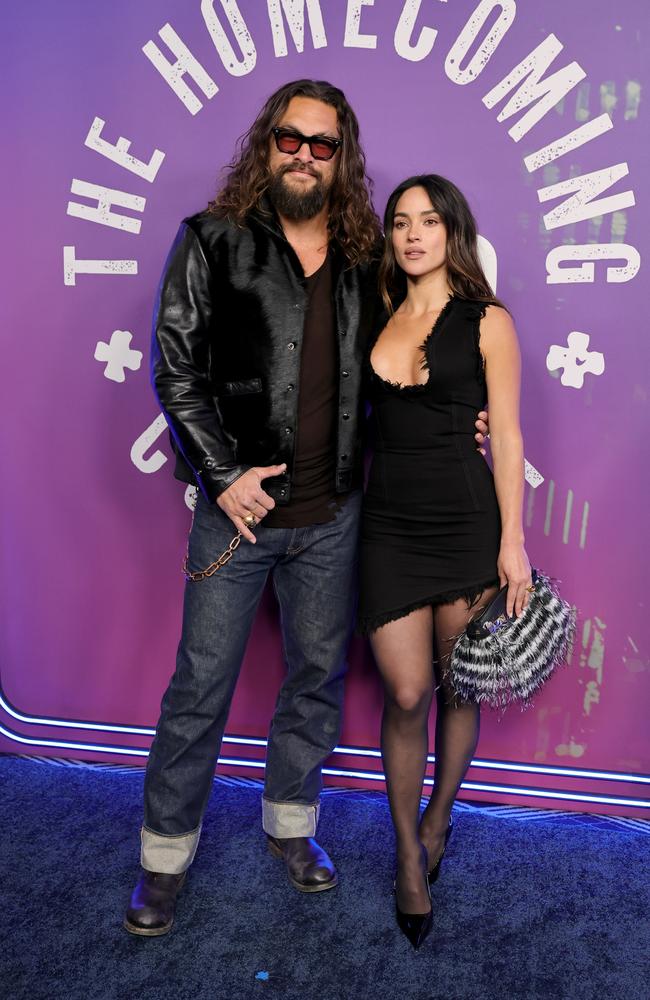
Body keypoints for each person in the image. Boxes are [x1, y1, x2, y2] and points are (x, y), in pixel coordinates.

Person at [124, 80, 488, 937]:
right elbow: (174, 369)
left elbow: (416, 355)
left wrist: (465, 410)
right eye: (291, 138)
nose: (304, 154)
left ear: (341, 159)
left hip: (335, 519)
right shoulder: (211, 241)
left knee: (314, 681)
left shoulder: (369, 259)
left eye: (323, 145)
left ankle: (292, 828)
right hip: (238, 515)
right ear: (268, 143)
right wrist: (221, 475)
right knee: (199, 689)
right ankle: (163, 858)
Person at [357, 175, 532, 949]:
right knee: (406, 690)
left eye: (429, 221)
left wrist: (513, 542)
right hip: (388, 524)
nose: (413, 234)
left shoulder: (489, 321)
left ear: (453, 231)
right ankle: (406, 854)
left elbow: (513, 438)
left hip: (467, 524)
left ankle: (437, 819)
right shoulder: (374, 312)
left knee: (460, 688)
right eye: (400, 222)